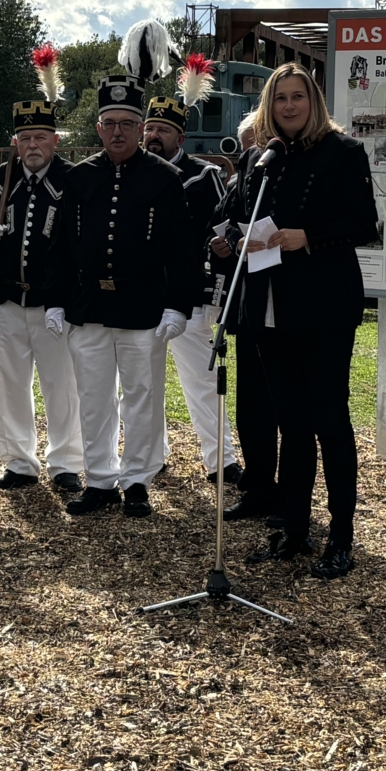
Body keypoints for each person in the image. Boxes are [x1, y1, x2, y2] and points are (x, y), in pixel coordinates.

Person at [224, 63, 377, 579]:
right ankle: (294, 526)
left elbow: (362, 224)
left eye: (298, 97)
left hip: (323, 305)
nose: (289, 106)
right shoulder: (257, 158)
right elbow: (234, 215)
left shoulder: (344, 153)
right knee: (289, 421)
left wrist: (306, 235)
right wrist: (228, 238)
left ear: (313, 102)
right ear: (269, 106)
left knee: (328, 420)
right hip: (266, 306)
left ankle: (341, 534)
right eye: (280, 98)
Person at [44, 21, 202, 519]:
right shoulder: (79, 177)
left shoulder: (166, 179)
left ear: (141, 129)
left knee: (141, 397)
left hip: (142, 305)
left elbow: (183, 248)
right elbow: (61, 246)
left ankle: (136, 479)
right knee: (93, 399)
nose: (117, 132)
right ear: (98, 128)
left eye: (127, 125)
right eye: (109, 124)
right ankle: (100, 479)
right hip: (90, 304)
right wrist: (55, 299)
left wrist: (179, 305)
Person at [0, 45, 84, 492]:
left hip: (52, 303)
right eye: (25, 139)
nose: (32, 146)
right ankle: (19, 462)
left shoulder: (74, 180)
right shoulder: (3, 177)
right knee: (10, 384)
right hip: (5, 297)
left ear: (55, 141)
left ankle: (66, 463)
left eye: (41, 138)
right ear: (15, 141)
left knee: (61, 385)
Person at [143, 55, 241, 486]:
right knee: (143, 384)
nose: (153, 137)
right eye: (149, 129)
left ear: (179, 136)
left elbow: (223, 224)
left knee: (201, 381)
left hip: (191, 292)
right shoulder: (133, 174)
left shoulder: (203, 176)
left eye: (162, 130)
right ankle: (151, 454)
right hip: (143, 293)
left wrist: (218, 244)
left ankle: (220, 459)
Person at [212, 118, 279, 524]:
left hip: (288, 303)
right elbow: (220, 217)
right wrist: (217, 241)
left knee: (285, 406)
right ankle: (257, 488)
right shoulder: (246, 173)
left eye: (259, 140)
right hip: (249, 301)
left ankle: (289, 495)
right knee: (251, 404)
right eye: (247, 145)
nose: (255, 150)